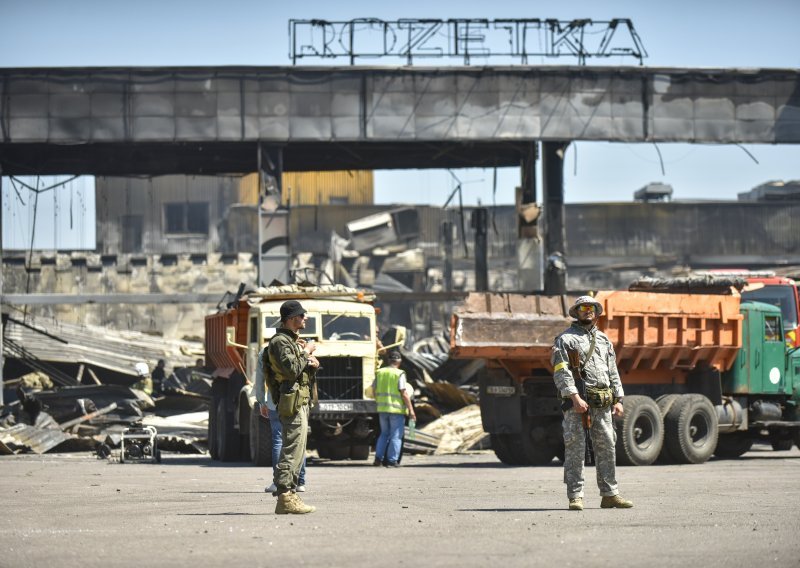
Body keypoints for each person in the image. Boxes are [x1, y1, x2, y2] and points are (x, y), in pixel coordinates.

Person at [551, 295, 633, 511]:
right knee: (575, 448)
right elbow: (561, 371)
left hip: (603, 402)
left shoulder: (604, 340)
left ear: (596, 313)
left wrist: (618, 399)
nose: (587, 310)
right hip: (578, 403)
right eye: (583, 307)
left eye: (591, 308)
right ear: (576, 312)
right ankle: (575, 496)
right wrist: (574, 397)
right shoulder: (565, 339)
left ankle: (610, 494)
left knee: (607, 446)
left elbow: (612, 371)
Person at [261, 300, 318, 515]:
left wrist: (312, 364)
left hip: (299, 401)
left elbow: (299, 372)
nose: (306, 319)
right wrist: (306, 352)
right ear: (292, 318)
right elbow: (291, 369)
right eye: (302, 316)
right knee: (292, 448)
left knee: (298, 449)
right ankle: (285, 495)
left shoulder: (290, 341)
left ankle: (291, 494)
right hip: (291, 403)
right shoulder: (280, 342)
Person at [255, 345, 307, 494]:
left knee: (278, 440)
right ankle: (300, 481)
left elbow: (260, 379)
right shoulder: (298, 348)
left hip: (274, 401)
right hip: (296, 401)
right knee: (298, 440)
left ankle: (278, 482)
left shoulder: (265, 351)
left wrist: (261, 401)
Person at [373, 351, 416, 467]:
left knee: (383, 434)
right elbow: (404, 393)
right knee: (396, 436)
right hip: (396, 411)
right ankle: (392, 460)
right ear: (399, 361)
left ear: (388, 361)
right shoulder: (399, 374)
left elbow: (374, 389)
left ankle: (378, 459)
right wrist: (411, 410)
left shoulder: (380, 372)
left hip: (382, 409)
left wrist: (379, 402)